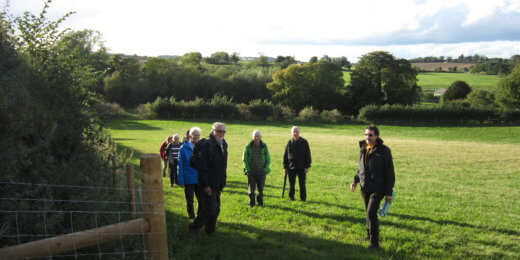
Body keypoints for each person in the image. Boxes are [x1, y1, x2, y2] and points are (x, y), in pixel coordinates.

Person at [349, 124, 395, 249]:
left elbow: (389, 172)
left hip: (378, 188)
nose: (367, 137)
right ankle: (368, 236)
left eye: (370, 135)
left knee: (371, 212)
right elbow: (360, 168)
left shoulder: (384, 151)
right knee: (368, 213)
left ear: (376, 136)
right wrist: (355, 180)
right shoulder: (363, 148)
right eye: (366, 134)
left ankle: (374, 244)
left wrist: (389, 192)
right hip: (365, 187)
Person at [189, 122, 228, 236]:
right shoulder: (207, 145)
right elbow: (201, 167)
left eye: (223, 131)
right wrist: (206, 185)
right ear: (212, 131)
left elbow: (223, 165)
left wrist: (223, 180)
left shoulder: (223, 144)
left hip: (217, 182)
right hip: (208, 183)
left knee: (215, 209)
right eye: (219, 131)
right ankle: (193, 228)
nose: (221, 133)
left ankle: (210, 230)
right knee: (210, 207)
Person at [177, 127, 203, 219]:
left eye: (198, 135)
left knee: (201, 200)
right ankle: (191, 217)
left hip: (200, 179)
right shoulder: (183, 148)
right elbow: (180, 165)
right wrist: (181, 180)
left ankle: (199, 216)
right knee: (190, 200)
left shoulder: (202, 147)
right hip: (188, 179)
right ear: (190, 136)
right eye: (194, 135)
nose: (196, 137)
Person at [242, 130, 270, 207]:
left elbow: (268, 158)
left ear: (261, 137)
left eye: (258, 136)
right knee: (251, 189)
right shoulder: (248, 146)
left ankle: (260, 203)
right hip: (251, 171)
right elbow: (244, 159)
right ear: (252, 137)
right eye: (255, 136)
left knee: (260, 189)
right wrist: (248, 170)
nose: (256, 138)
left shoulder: (264, 146)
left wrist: (265, 169)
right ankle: (251, 203)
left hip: (261, 171)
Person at [283, 126, 311, 202]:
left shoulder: (304, 142)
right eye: (293, 132)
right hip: (291, 167)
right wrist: (285, 167)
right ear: (291, 133)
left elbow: (308, 155)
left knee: (302, 184)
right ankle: (291, 197)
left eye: (296, 131)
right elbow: (285, 155)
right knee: (291, 185)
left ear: (299, 132)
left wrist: (307, 166)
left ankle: (303, 199)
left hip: (302, 167)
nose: (295, 133)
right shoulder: (289, 142)